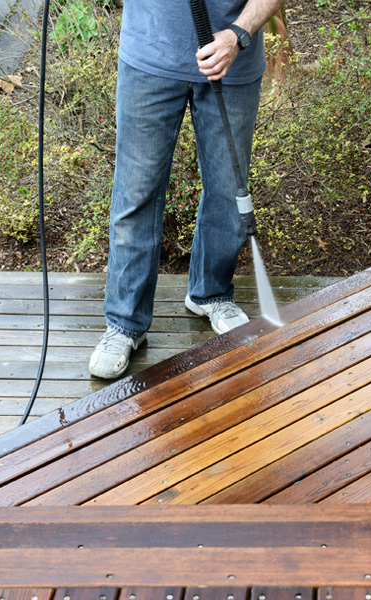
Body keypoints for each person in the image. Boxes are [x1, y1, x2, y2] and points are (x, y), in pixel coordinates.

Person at [88, 0, 283, 379]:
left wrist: (238, 34)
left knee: (229, 190)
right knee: (136, 193)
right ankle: (124, 324)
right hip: (149, 56)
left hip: (233, 60)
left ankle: (210, 294)